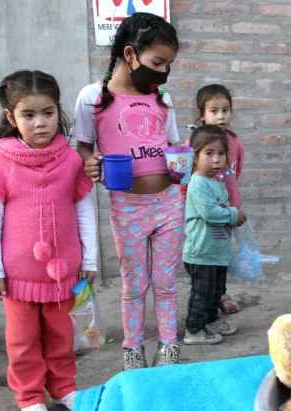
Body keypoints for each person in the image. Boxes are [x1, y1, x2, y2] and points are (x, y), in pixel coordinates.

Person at [0, 70, 97, 411]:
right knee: (23, 341)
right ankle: (29, 396)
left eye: (47, 113)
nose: (40, 123)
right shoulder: (2, 162)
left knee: (62, 336)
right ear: (11, 118)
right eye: (28, 115)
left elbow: (84, 211)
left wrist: (89, 258)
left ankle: (63, 387)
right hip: (18, 277)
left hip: (65, 274)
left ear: (57, 111)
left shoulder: (71, 161)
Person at [73, 12, 183, 370]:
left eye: (169, 64)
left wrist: (182, 166)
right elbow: (84, 148)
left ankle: (169, 347)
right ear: (131, 54)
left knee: (166, 284)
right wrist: (91, 164)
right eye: (158, 62)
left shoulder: (163, 98)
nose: (164, 71)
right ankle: (132, 349)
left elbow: (174, 145)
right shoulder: (94, 97)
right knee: (134, 285)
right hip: (128, 207)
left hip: (168, 204)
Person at [180, 84, 245, 317]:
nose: (221, 116)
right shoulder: (192, 145)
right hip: (205, 208)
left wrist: (234, 206)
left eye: (226, 110)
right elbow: (185, 177)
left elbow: (236, 172)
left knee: (222, 250)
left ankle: (220, 291)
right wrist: (191, 200)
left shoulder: (235, 142)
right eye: (214, 111)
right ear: (202, 114)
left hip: (228, 206)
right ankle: (210, 298)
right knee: (207, 250)